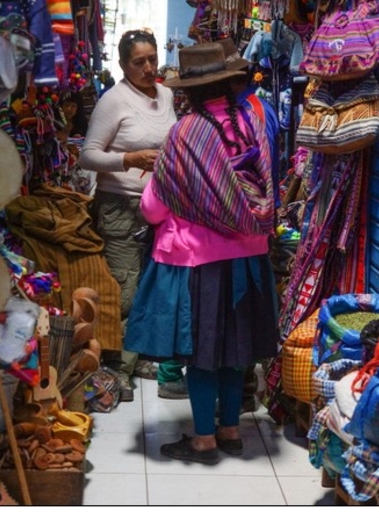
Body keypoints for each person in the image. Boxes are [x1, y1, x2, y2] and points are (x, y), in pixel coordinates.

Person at [124, 42, 280, 464]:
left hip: (200, 264)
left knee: (203, 353)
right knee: (235, 350)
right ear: (230, 81)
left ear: (190, 90)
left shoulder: (185, 132)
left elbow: (153, 207)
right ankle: (231, 429)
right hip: (249, 259)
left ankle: (205, 439)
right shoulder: (252, 123)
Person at [79, 28, 177, 402]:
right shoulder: (113, 100)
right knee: (124, 290)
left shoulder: (166, 95)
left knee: (152, 285)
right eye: (139, 62)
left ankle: (137, 358)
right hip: (120, 206)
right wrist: (128, 159)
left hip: (161, 207)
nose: (149, 67)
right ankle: (115, 366)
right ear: (122, 64)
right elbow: (88, 155)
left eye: (152, 58)